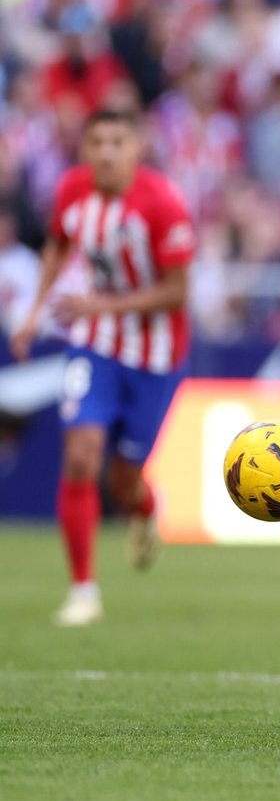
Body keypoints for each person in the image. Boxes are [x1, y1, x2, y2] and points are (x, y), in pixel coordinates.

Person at [10, 109, 195, 626]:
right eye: (97, 141)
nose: (107, 152)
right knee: (80, 457)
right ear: (84, 150)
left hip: (155, 354)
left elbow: (178, 293)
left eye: (118, 141)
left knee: (124, 481)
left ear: (136, 149)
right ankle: (83, 591)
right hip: (92, 343)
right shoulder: (72, 191)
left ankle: (144, 511)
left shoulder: (161, 204)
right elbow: (57, 248)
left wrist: (100, 307)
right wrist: (34, 313)